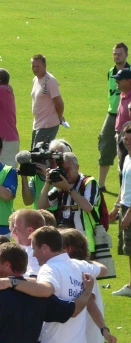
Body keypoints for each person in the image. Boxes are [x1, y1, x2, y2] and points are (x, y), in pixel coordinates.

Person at [37, 153, 101, 254]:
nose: (66, 173)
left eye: (68, 169)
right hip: (64, 245)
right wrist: (47, 183)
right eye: (63, 169)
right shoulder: (61, 185)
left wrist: (68, 188)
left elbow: (88, 207)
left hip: (85, 245)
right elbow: (41, 207)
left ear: (77, 167)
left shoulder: (89, 182)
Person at [97, 44, 129, 190]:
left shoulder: (129, 73)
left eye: (120, 54)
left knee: (126, 148)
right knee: (105, 145)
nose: (117, 56)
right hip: (112, 115)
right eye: (115, 54)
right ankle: (101, 184)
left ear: (126, 55)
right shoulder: (111, 72)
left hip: (127, 114)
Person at [20, 138, 73, 208]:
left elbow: (67, 194)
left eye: (57, 156)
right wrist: (24, 175)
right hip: (39, 217)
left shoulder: (71, 175)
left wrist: (47, 175)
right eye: (51, 155)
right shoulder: (38, 175)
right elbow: (27, 201)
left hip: (59, 216)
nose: (54, 159)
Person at [110, 122, 131, 296]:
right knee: (128, 249)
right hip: (125, 206)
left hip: (130, 209)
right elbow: (124, 186)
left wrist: (128, 214)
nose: (127, 142)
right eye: (126, 138)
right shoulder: (127, 158)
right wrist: (116, 207)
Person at [30, 55, 65, 147]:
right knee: (35, 154)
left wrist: (59, 116)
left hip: (47, 124)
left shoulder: (50, 81)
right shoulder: (35, 79)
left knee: (39, 156)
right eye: (33, 66)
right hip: (38, 124)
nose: (35, 69)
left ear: (45, 66)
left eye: (38, 66)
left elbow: (59, 103)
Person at [9, 209, 45, 277]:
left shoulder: (35, 253)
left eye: (16, 228)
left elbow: (35, 280)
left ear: (30, 230)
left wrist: (8, 278)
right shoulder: (28, 249)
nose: (13, 232)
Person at [113, 68, 131, 178]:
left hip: (128, 139)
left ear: (129, 81)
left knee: (125, 168)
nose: (117, 81)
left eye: (120, 79)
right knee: (121, 167)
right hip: (120, 137)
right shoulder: (123, 94)